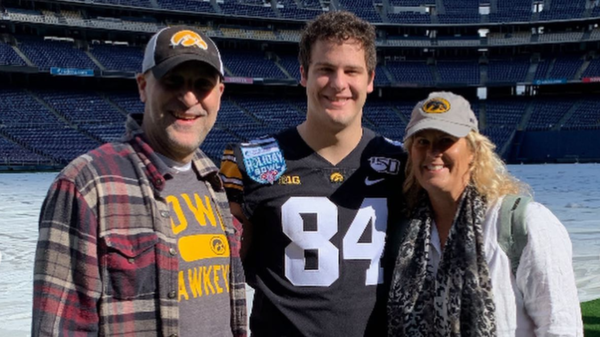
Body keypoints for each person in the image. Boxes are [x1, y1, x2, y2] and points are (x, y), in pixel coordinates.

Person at [32, 26, 247, 337]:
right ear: (143, 86)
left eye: (202, 85)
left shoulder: (213, 181)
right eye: (172, 81)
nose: (189, 98)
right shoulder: (86, 186)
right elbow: (60, 329)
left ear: (220, 94)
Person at [219, 11, 405, 337]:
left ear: (370, 79)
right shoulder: (248, 162)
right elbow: (221, 273)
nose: (338, 83)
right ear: (303, 74)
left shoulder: (402, 163)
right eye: (325, 69)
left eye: (352, 71)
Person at [387, 91, 583, 336]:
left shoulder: (524, 223)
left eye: (446, 140)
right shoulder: (408, 234)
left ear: (473, 152)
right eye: (422, 141)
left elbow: (561, 327)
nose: (432, 152)